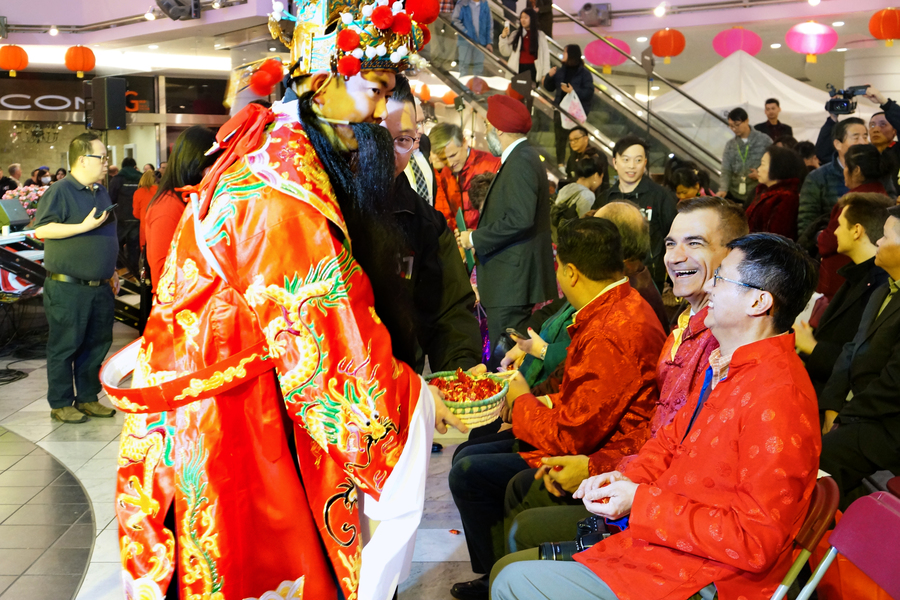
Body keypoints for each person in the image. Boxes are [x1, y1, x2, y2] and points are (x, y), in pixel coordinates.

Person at [99, 3, 467, 598]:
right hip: (230, 430)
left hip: (223, 409)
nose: (378, 111)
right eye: (373, 90)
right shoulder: (279, 194)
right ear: (321, 82)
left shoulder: (271, 150)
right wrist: (416, 403)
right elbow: (326, 346)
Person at [493, 232, 822, 600]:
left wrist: (641, 501)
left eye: (722, 279)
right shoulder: (729, 366)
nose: (709, 286)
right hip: (670, 545)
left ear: (759, 301)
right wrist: (619, 479)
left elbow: (754, 540)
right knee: (509, 564)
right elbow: (668, 444)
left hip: (706, 577)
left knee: (511, 579)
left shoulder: (779, 397)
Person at [492, 197, 744, 569]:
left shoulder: (725, 343)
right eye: (671, 244)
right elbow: (660, 434)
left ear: (734, 257)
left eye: (695, 243)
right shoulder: (685, 326)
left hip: (667, 516)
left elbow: (692, 460)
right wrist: (601, 467)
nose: (675, 256)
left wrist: (598, 468)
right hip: (637, 476)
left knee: (512, 517)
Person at [449, 218, 666, 600]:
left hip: (600, 453)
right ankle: (496, 575)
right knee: (470, 452)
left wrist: (520, 402)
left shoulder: (611, 329)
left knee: (470, 471)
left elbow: (571, 436)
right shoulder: (616, 306)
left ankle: (500, 579)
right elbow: (583, 399)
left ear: (570, 271)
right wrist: (537, 401)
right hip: (594, 436)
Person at [383, 75, 483, 373]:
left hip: (406, 392)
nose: (390, 154)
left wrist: (459, 371)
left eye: (402, 140)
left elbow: (449, 310)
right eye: (377, 137)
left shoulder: (424, 221)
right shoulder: (321, 208)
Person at [456, 95, 556, 367]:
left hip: (511, 282)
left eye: (488, 127)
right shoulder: (523, 157)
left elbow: (519, 218)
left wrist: (473, 237)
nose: (487, 134)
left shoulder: (521, 160)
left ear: (498, 128)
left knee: (505, 360)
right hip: (511, 280)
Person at [32, 132, 118, 424]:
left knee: (96, 344)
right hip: (67, 286)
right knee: (65, 345)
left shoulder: (100, 191)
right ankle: (60, 402)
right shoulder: (60, 190)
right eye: (102, 157)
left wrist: (112, 270)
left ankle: (87, 398)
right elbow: (42, 230)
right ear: (83, 159)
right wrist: (81, 227)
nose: (107, 162)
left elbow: (105, 235)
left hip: (99, 286)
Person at [819, 204, 900, 500]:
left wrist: (846, 417)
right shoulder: (883, 289)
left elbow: (893, 386)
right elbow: (850, 351)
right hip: (860, 412)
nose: (878, 241)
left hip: (887, 425)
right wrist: (832, 406)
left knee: (820, 459)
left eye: (887, 237)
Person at [795, 193, 891, 396]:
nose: (835, 232)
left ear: (856, 230)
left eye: (839, 224)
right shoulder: (857, 276)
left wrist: (812, 347)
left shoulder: (881, 285)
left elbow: (863, 359)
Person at [593, 135, 677, 291]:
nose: (631, 166)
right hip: (608, 278)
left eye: (638, 160)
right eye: (626, 160)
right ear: (615, 162)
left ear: (645, 163)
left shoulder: (660, 196)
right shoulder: (605, 199)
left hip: (648, 279)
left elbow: (673, 236)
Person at [143, 126, 218, 290]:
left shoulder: (188, 199)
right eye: (212, 166)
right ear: (196, 164)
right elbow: (162, 274)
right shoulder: (168, 206)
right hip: (177, 306)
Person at [816, 143, 889, 299]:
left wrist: (820, 235)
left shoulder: (854, 202)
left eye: (846, 166)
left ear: (856, 170)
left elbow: (829, 242)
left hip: (842, 277)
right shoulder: (883, 195)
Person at [797, 117, 868, 237]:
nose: (863, 142)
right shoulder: (818, 177)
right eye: (856, 138)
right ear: (838, 144)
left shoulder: (877, 172)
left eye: (865, 137)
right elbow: (807, 222)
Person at [430, 122, 501, 228]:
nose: (450, 163)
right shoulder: (445, 173)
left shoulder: (493, 165)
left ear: (464, 142)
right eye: (443, 159)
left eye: (453, 155)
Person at [543, 45, 594, 167]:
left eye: (564, 52)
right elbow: (549, 87)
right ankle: (560, 164)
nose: (562, 55)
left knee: (575, 139)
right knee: (560, 139)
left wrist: (572, 91)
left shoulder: (584, 74)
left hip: (574, 113)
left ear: (571, 54)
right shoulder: (560, 71)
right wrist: (549, 76)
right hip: (560, 110)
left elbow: (589, 92)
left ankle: (574, 165)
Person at [745, 145, 806, 240]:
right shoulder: (764, 192)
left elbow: (775, 237)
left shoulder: (787, 198)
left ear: (777, 167)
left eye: (763, 164)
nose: (759, 169)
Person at [718, 107, 773, 206]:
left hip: (758, 193)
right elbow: (726, 170)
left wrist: (761, 174)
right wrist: (723, 188)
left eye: (737, 125)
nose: (734, 129)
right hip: (734, 193)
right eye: (731, 126)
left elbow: (774, 164)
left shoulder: (764, 140)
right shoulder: (730, 145)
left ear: (746, 121)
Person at [108, 157, 142, 277]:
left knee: (118, 247)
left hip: (121, 218)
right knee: (134, 247)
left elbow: (111, 198)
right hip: (137, 218)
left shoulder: (117, 179)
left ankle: (122, 272)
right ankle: (133, 273)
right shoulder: (141, 178)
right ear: (134, 166)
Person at [499, 8, 550, 85]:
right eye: (521, 17)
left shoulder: (540, 35)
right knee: (516, 95)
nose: (523, 20)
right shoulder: (516, 34)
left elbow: (546, 56)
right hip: (518, 69)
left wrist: (545, 75)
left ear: (532, 19)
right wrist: (503, 37)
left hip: (532, 70)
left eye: (526, 17)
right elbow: (505, 52)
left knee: (529, 95)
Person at [554, 154, 605, 221]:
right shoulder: (588, 195)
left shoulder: (566, 188)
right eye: (601, 177)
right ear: (595, 176)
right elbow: (585, 224)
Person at [452, 0, 493, 77]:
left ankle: (476, 88)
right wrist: (466, 32)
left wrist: (489, 42)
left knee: (479, 68)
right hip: (465, 41)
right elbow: (455, 20)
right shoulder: (462, 3)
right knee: (464, 67)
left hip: (481, 42)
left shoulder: (485, 5)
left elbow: (489, 24)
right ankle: (463, 88)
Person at [131, 168, 158, 251]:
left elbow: (136, 213)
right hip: (158, 223)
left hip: (144, 226)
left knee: (146, 250)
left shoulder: (138, 192)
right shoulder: (160, 190)